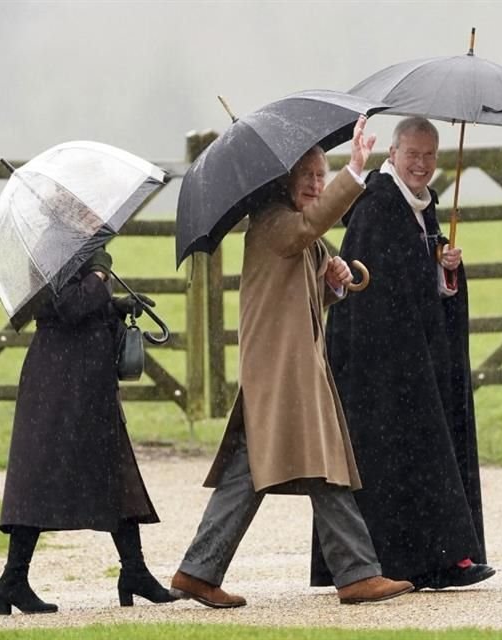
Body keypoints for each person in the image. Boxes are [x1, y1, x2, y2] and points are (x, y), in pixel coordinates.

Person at [168, 116, 414, 608]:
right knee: (324, 468)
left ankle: (198, 570)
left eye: (323, 177)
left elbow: (303, 294)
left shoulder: (291, 228)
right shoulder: (273, 223)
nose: (317, 185)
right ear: (286, 181)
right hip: (283, 374)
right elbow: (304, 229)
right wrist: (355, 172)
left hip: (286, 371)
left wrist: (335, 281)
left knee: (255, 471)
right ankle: (356, 573)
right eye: (310, 178)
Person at [311, 116, 495, 591]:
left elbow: (421, 282)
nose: (421, 165)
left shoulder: (423, 206)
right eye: (412, 154)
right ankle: (400, 560)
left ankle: (442, 557)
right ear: (392, 154)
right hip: (383, 367)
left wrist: (446, 268)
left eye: (430, 156)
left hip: (418, 360)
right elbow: (371, 287)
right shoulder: (378, 206)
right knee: (394, 461)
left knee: (430, 455)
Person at [0, 248, 176, 615]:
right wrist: (100, 276)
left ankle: (135, 571)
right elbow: (69, 308)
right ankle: (13, 578)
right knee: (42, 474)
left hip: (89, 378)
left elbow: (84, 306)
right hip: (59, 379)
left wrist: (116, 307)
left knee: (114, 467)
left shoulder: (80, 245)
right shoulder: (48, 250)